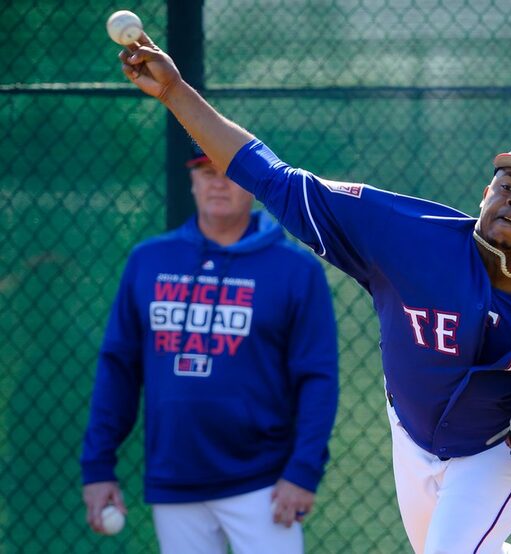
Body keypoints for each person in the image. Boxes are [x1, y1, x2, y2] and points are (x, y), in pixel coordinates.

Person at [116, 32, 511, 554]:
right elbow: (274, 178)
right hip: (411, 427)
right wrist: (175, 91)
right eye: (507, 186)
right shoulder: (407, 235)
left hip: (496, 449)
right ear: (486, 192)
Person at [80, 143, 339, 554]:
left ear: (253, 185)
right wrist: (98, 468)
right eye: (206, 172)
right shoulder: (149, 260)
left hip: (265, 482)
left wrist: (303, 471)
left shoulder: (296, 269)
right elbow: (119, 371)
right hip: (175, 476)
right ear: (192, 182)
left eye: (230, 173)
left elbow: (318, 378)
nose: (218, 183)